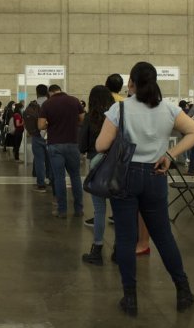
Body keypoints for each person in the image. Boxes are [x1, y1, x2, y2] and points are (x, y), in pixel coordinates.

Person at [95, 61, 194, 316]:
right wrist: (169, 154)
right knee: (163, 235)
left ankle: (130, 298)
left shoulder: (119, 108)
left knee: (124, 237)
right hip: (156, 175)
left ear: (131, 82)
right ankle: (183, 290)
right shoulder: (168, 108)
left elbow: (100, 145)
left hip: (126, 175)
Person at [38, 85, 85, 218]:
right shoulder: (74, 101)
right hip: (72, 144)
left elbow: (41, 125)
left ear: (50, 92)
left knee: (59, 178)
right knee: (75, 177)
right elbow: (82, 119)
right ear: (60, 90)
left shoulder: (47, 104)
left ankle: (62, 210)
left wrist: (51, 124)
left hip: (55, 145)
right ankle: (78, 209)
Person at [81, 85, 115, 265]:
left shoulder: (90, 117)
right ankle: (119, 250)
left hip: (96, 165)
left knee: (99, 210)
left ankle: (97, 250)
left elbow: (81, 144)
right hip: (117, 165)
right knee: (118, 211)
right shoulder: (117, 116)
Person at [31, 85, 50, 192]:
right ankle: (52, 180)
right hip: (50, 135)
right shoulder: (51, 103)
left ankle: (41, 184)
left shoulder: (33, 104)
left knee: (39, 160)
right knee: (50, 160)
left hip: (36, 135)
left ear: (36, 92)